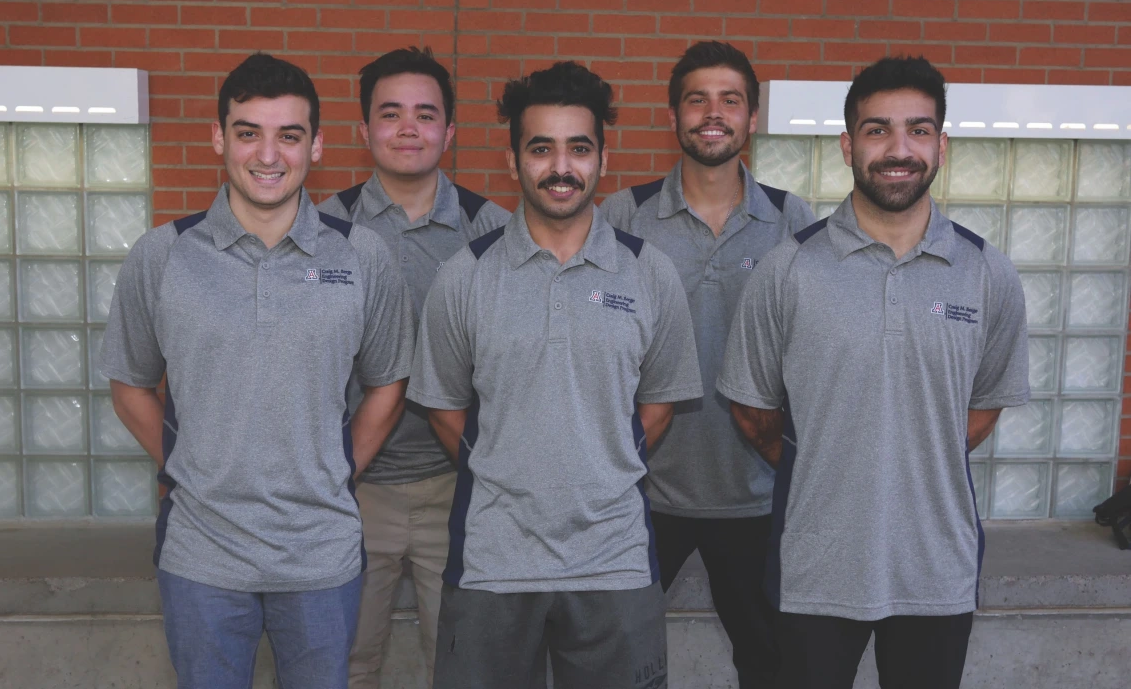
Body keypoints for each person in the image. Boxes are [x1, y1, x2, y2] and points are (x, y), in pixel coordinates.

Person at [101, 53, 414, 689]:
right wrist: (184, 462)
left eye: (289, 135)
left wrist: (339, 468)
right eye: (248, 132)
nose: (267, 155)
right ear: (219, 137)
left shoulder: (361, 256)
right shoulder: (163, 256)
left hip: (320, 555)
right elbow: (129, 383)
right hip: (202, 557)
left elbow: (389, 383)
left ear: (317, 145)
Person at [718, 55, 1030, 689]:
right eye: (877, 129)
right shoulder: (788, 271)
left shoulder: (986, 272)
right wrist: (833, 460)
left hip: (935, 573)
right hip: (815, 569)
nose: (898, 148)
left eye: (918, 130)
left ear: (941, 146)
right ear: (846, 145)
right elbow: (753, 412)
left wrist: (912, 452)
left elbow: (983, 404)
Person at [406, 61, 703, 689]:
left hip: (614, 563)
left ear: (601, 158)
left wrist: (603, 465)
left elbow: (660, 403)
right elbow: (442, 406)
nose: (560, 167)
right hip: (493, 562)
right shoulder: (466, 276)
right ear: (514, 162)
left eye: (579, 148)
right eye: (541, 149)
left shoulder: (649, 274)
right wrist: (508, 467)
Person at [602, 40, 814, 687]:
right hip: (641, 489)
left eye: (731, 100)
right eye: (697, 99)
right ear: (673, 116)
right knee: (616, 660)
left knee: (770, 662)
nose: (713, 113)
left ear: (752, 119)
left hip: (755, 492)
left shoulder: (790, 220)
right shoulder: (623, 217)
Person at [317, 47, 510, 689]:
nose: (408, 127)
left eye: (426, 114)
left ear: (450, 132)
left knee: (460, 665)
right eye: (390, 113)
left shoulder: (496, 234)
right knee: (346, 663)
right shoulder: (321, 230)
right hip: (350, 492)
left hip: (459, 491)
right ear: (363, 129)